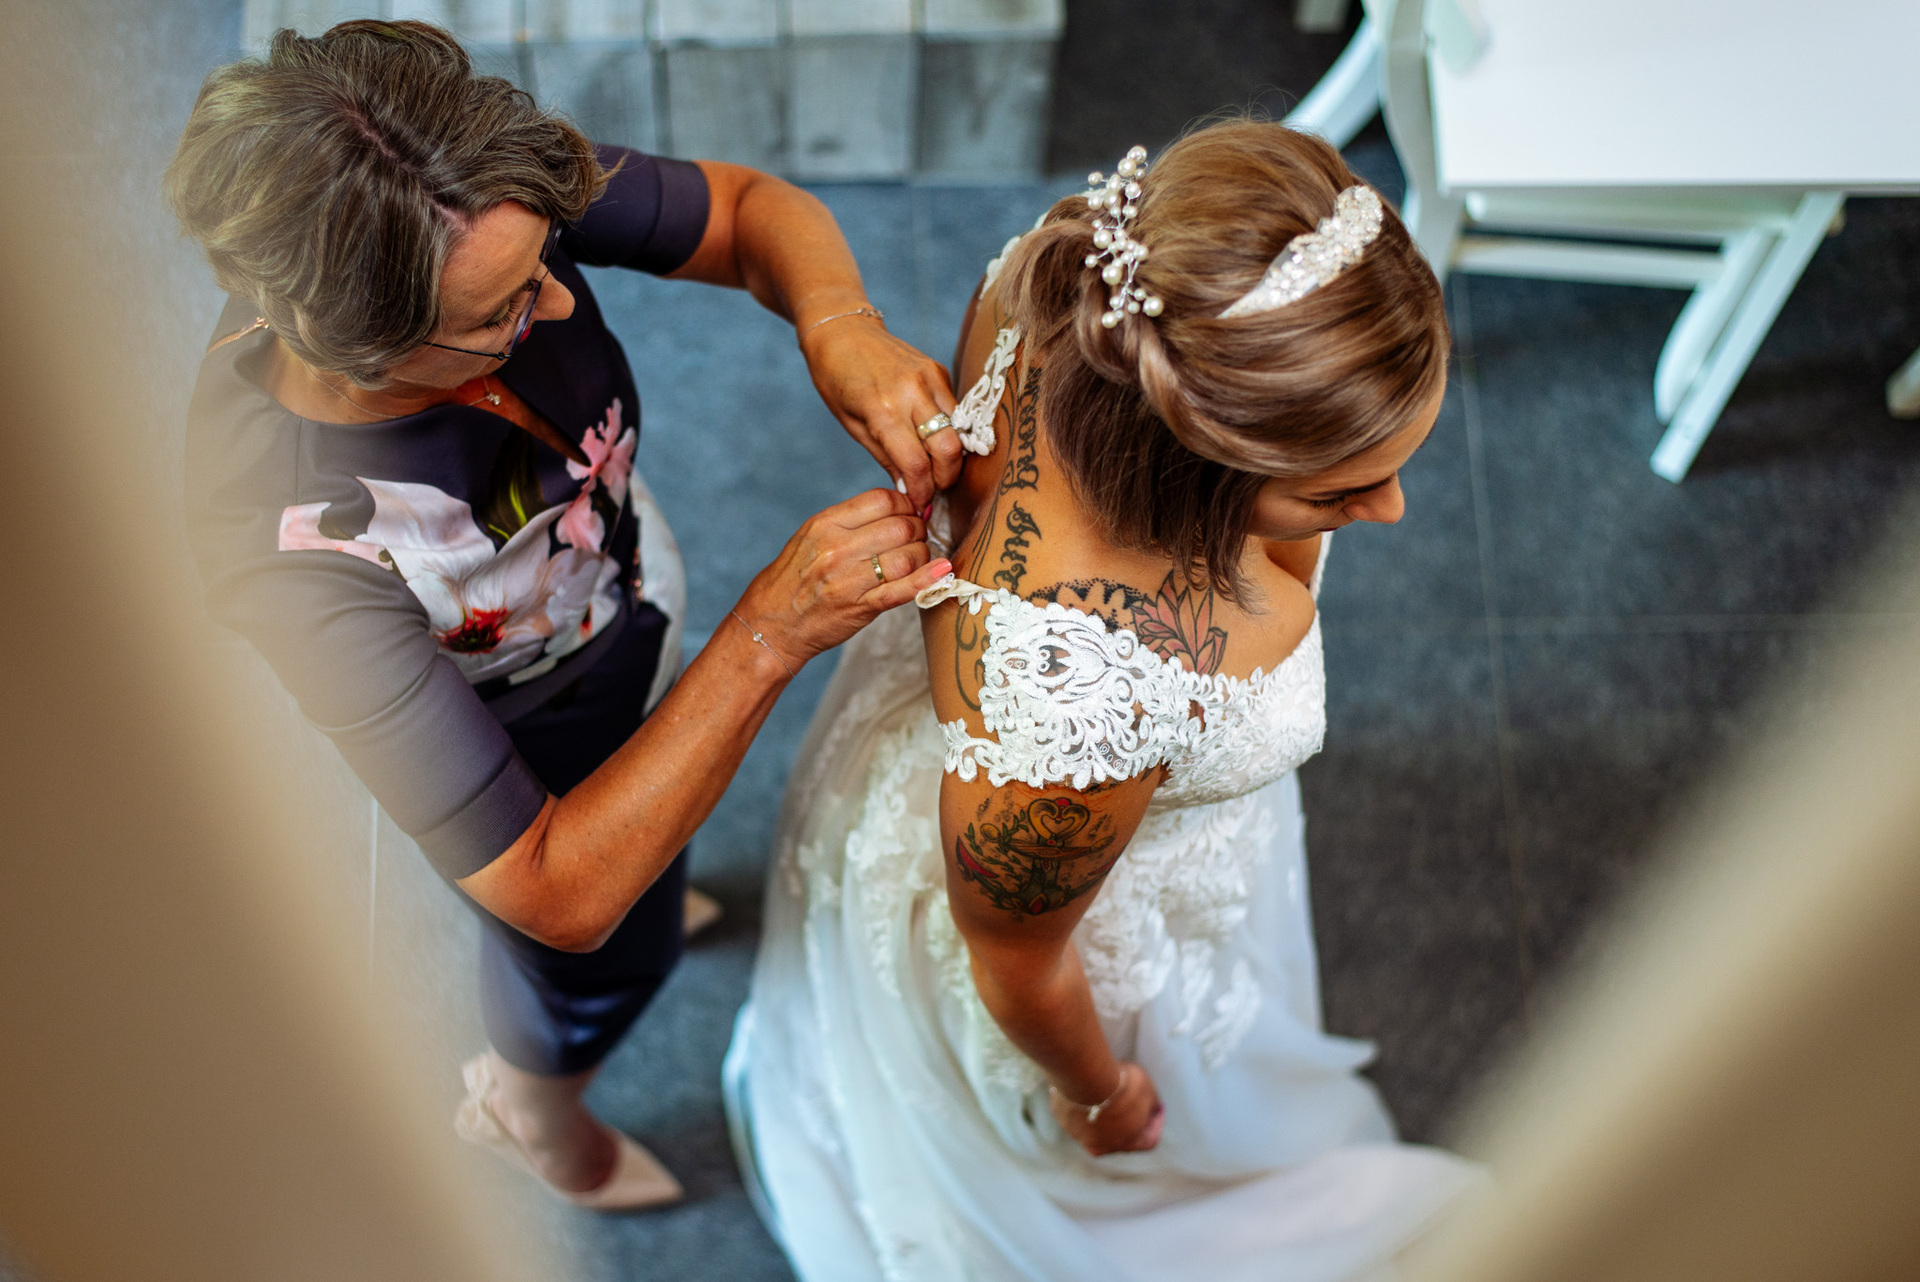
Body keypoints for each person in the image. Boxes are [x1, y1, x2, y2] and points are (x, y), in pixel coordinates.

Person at [167, 20, 961, 1211]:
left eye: (549, 261)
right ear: (356, 346)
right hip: (536, 741)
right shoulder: (292, 549)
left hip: (625, 603)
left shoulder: (473, 196)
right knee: (591, 963)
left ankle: (658, 881)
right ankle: (530, 1109)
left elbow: (748, 213)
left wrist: (837, 326)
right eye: (501, 313)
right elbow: (558, 888)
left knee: (659, 846)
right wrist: (772, 631)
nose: (556, 292)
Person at [725, 121, 1482, 1277]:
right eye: (1342, 491)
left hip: (1116, 811)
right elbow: (1020, 957)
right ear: (1199, 462)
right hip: (1065, 892)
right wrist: (1102, 1091)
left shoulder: (1106, 289)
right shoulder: (1081, 698)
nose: (1390, 513)